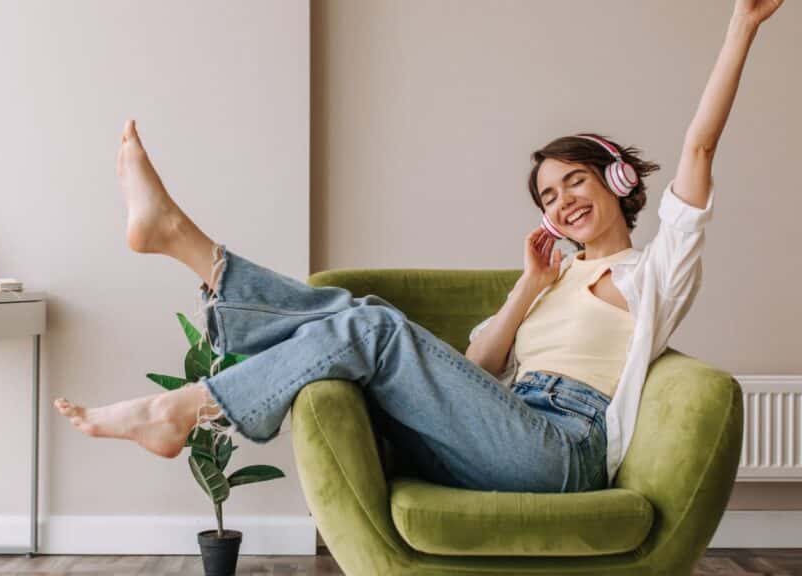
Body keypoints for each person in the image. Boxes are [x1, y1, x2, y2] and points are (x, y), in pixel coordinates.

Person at [55, 0, 784, 493]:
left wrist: (740, 30)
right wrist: (528, 286)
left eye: (576, 182)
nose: (562, 202)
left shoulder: (655, 273)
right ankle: (187, 254)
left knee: (371, 323)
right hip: (497, 437)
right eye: (548, 197)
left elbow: (699, 146)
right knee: (367, 320)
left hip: (564, 453)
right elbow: (477, 371)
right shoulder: (555, 278)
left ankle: (187, 358)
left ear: (618, 181)